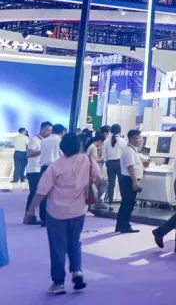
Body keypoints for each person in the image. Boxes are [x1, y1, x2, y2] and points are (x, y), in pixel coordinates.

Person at [24, 133, 103, 295]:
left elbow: (41, 191)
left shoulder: (55, 166)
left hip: (56, 212)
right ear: (79, 146)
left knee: (57, 247)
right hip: (79, 210)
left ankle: (58, 282)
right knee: (75, 242)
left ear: (62, 148)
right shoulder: (88, 161)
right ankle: (77, 271)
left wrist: (30, 211)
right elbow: (99, 178)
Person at [116, 129, 145, 233]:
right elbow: (130, 167)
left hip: (128, 179)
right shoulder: (129, 151)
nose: (140, 140)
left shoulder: (132, 150)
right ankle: (125, 226)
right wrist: (135, 181)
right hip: (129, 180)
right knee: (128, 204)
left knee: (126, 203)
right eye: (139, 138)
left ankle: (120, 225)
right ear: (132, 139)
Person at [24, 121, 51, 225]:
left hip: (41, 170)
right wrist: (42, 151)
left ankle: (34, 217)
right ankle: (28, 217)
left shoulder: (47, 141)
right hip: (33, 170)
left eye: (50, 130)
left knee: (40, 194)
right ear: (41, 129)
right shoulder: (34, 140)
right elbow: (29, 153)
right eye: (47, 130)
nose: (48, 132)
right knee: (34, 194)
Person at [103, 124, 125, 205]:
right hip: (120, 163)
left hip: (110, 163)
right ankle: (124, 201)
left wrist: (106, 162)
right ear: (119, 131)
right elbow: (125, 153)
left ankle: (110, 203)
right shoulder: (122, 141)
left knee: (111, 184)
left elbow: (104, 154)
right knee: (121, 183)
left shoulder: (106, 141)